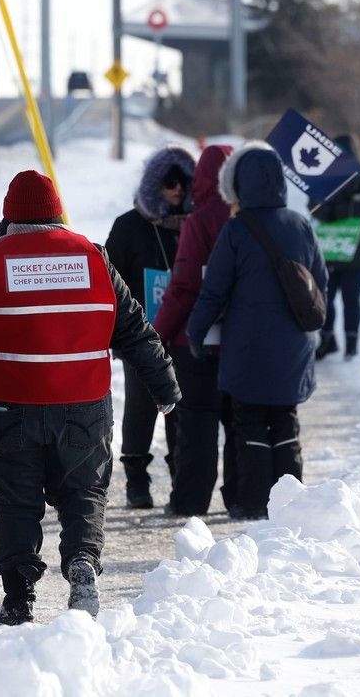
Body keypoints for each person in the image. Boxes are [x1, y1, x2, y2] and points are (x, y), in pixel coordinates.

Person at [0, 170, 180, 625]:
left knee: (16, 501)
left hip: (7, 406)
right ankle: (82, 563)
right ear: (58, 213)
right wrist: (164, 385)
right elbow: (134, 327)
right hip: (84, 404)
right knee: (83, 491)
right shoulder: (93, 257)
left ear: (9, 217)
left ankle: (18, 597)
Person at [186, 142, 327, 521]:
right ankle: (291, 502)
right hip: (292, 347)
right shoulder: (300, 225)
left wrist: (195, 333)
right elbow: (320, 283)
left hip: (246, 349)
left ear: (238, 184)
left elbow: (213, 291)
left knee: (249, 422)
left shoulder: (236, 230)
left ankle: (251, 502)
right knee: (285, 420)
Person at [105, 145, 195, 509]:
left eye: (184, 182)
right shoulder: (129, 226)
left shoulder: (193, 225)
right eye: (170, 182)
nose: (177, 189)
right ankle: (137, 482)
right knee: (141, 411)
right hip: (141, 336)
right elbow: (109, 280)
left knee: (181, 408)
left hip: (185, 335)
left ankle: (181, 478)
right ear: (154, 184)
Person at [152, 145, 236, 516]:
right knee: (239, 424)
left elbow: (183, 287)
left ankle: (191, 501)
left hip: (195, 341)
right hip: (239, 342)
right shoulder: (243, 216)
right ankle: (238, 496)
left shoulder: (200, 221)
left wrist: (157, 335)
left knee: (198, 427)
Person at [312, 133, 360, 361]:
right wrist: (346, 208)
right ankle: (327, 339)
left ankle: (351, 346)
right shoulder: (324, 179)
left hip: (359, 253)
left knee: (351, 299)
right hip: (331, 251)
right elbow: (315, 207)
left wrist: (340, 211)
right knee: (325, 298)